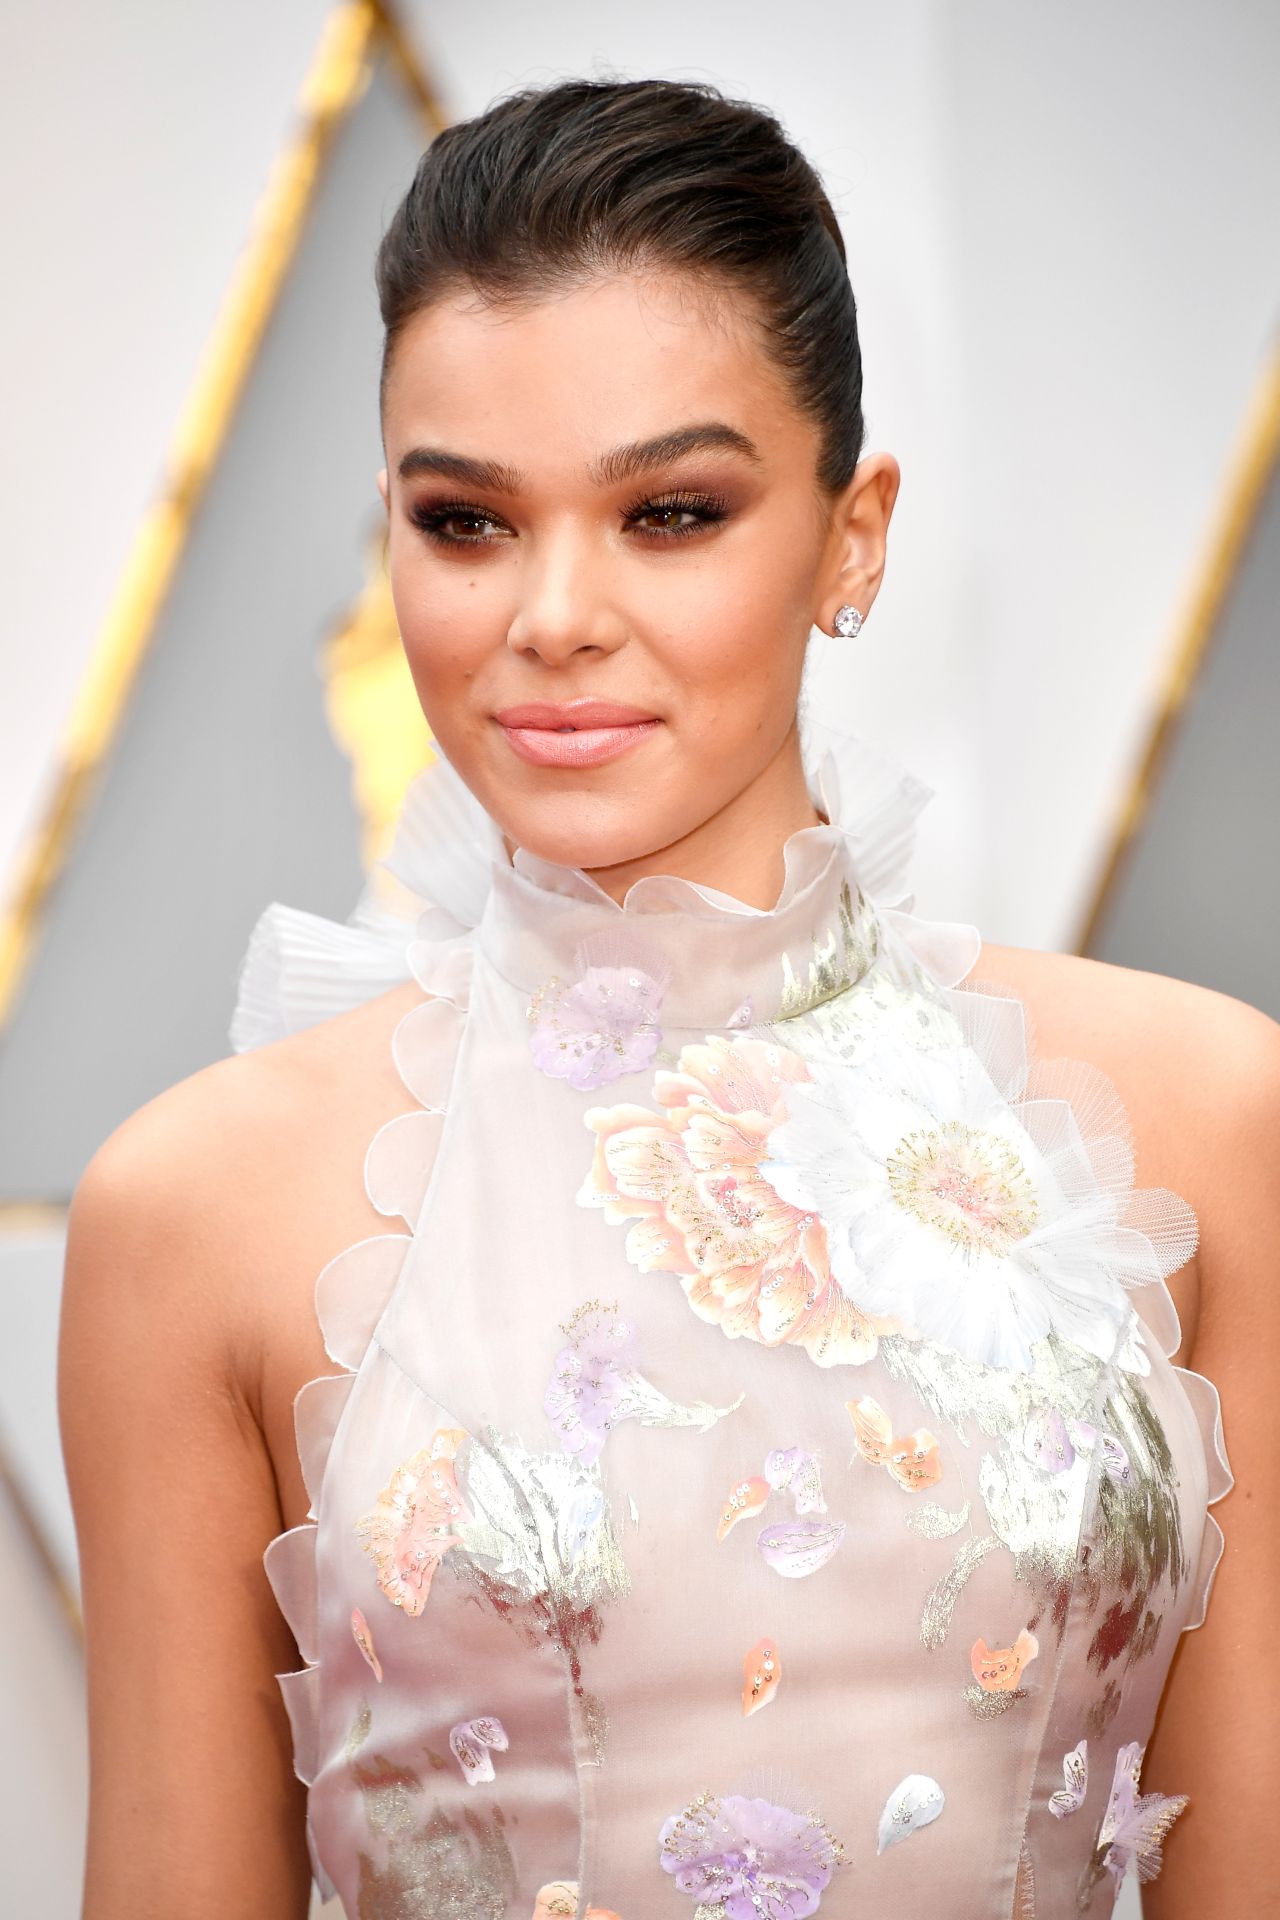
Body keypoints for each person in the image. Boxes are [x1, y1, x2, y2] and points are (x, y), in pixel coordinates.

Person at [58, 75, 1275, 1920]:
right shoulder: (198, 1212)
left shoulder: (1196, 1121)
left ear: (851, 534)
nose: (552, 614)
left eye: (672, 513)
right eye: (466, 522)